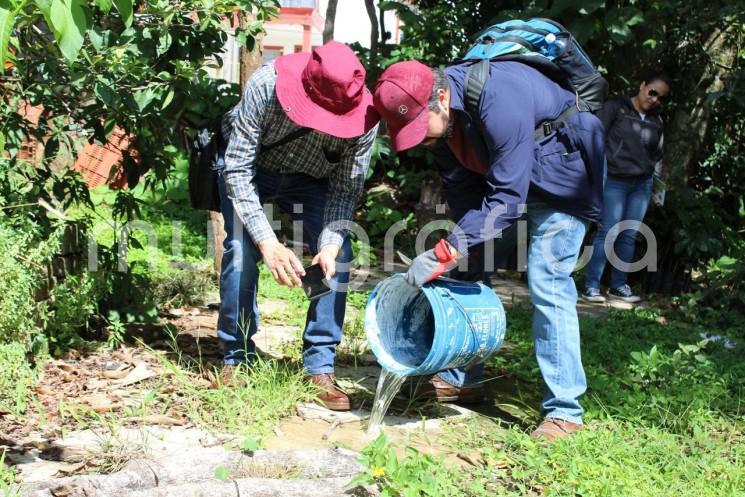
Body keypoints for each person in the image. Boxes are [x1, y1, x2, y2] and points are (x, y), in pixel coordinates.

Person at [372, 60, 605, 440]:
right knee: (468, 264)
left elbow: (508, 199)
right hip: (508, 183)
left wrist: (445, 251)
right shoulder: (440, 128)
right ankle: (463, 376)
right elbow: (464, 192)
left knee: (547, 278)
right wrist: (462, 249)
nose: (420, 141)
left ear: (442, 99)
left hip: (564, 175)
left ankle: (564, 411)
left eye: (419, 129)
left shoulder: (499, 95)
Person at [216, 41, 379, 411]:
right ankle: (236, 359)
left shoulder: (366, 117)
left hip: (312, 180)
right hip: (254, 168)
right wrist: (268, 243)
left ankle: (319, 365)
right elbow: (237, 169)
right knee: (241, 251)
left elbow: (345, 187)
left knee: (339, 254)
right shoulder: (264, 86)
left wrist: (331, 244)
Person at [582, 73, 671, 304]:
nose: (654, 99)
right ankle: (592, 285)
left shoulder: (657, 121)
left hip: (641, 185)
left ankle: (618, 285)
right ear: (643, 85)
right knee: (607, 231)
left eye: (660, 98)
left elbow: (658, 157)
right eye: (653, 92)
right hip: (613, 179)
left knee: (629, 235)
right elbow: (595, 138)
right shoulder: (616, 107)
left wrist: (656, 189)